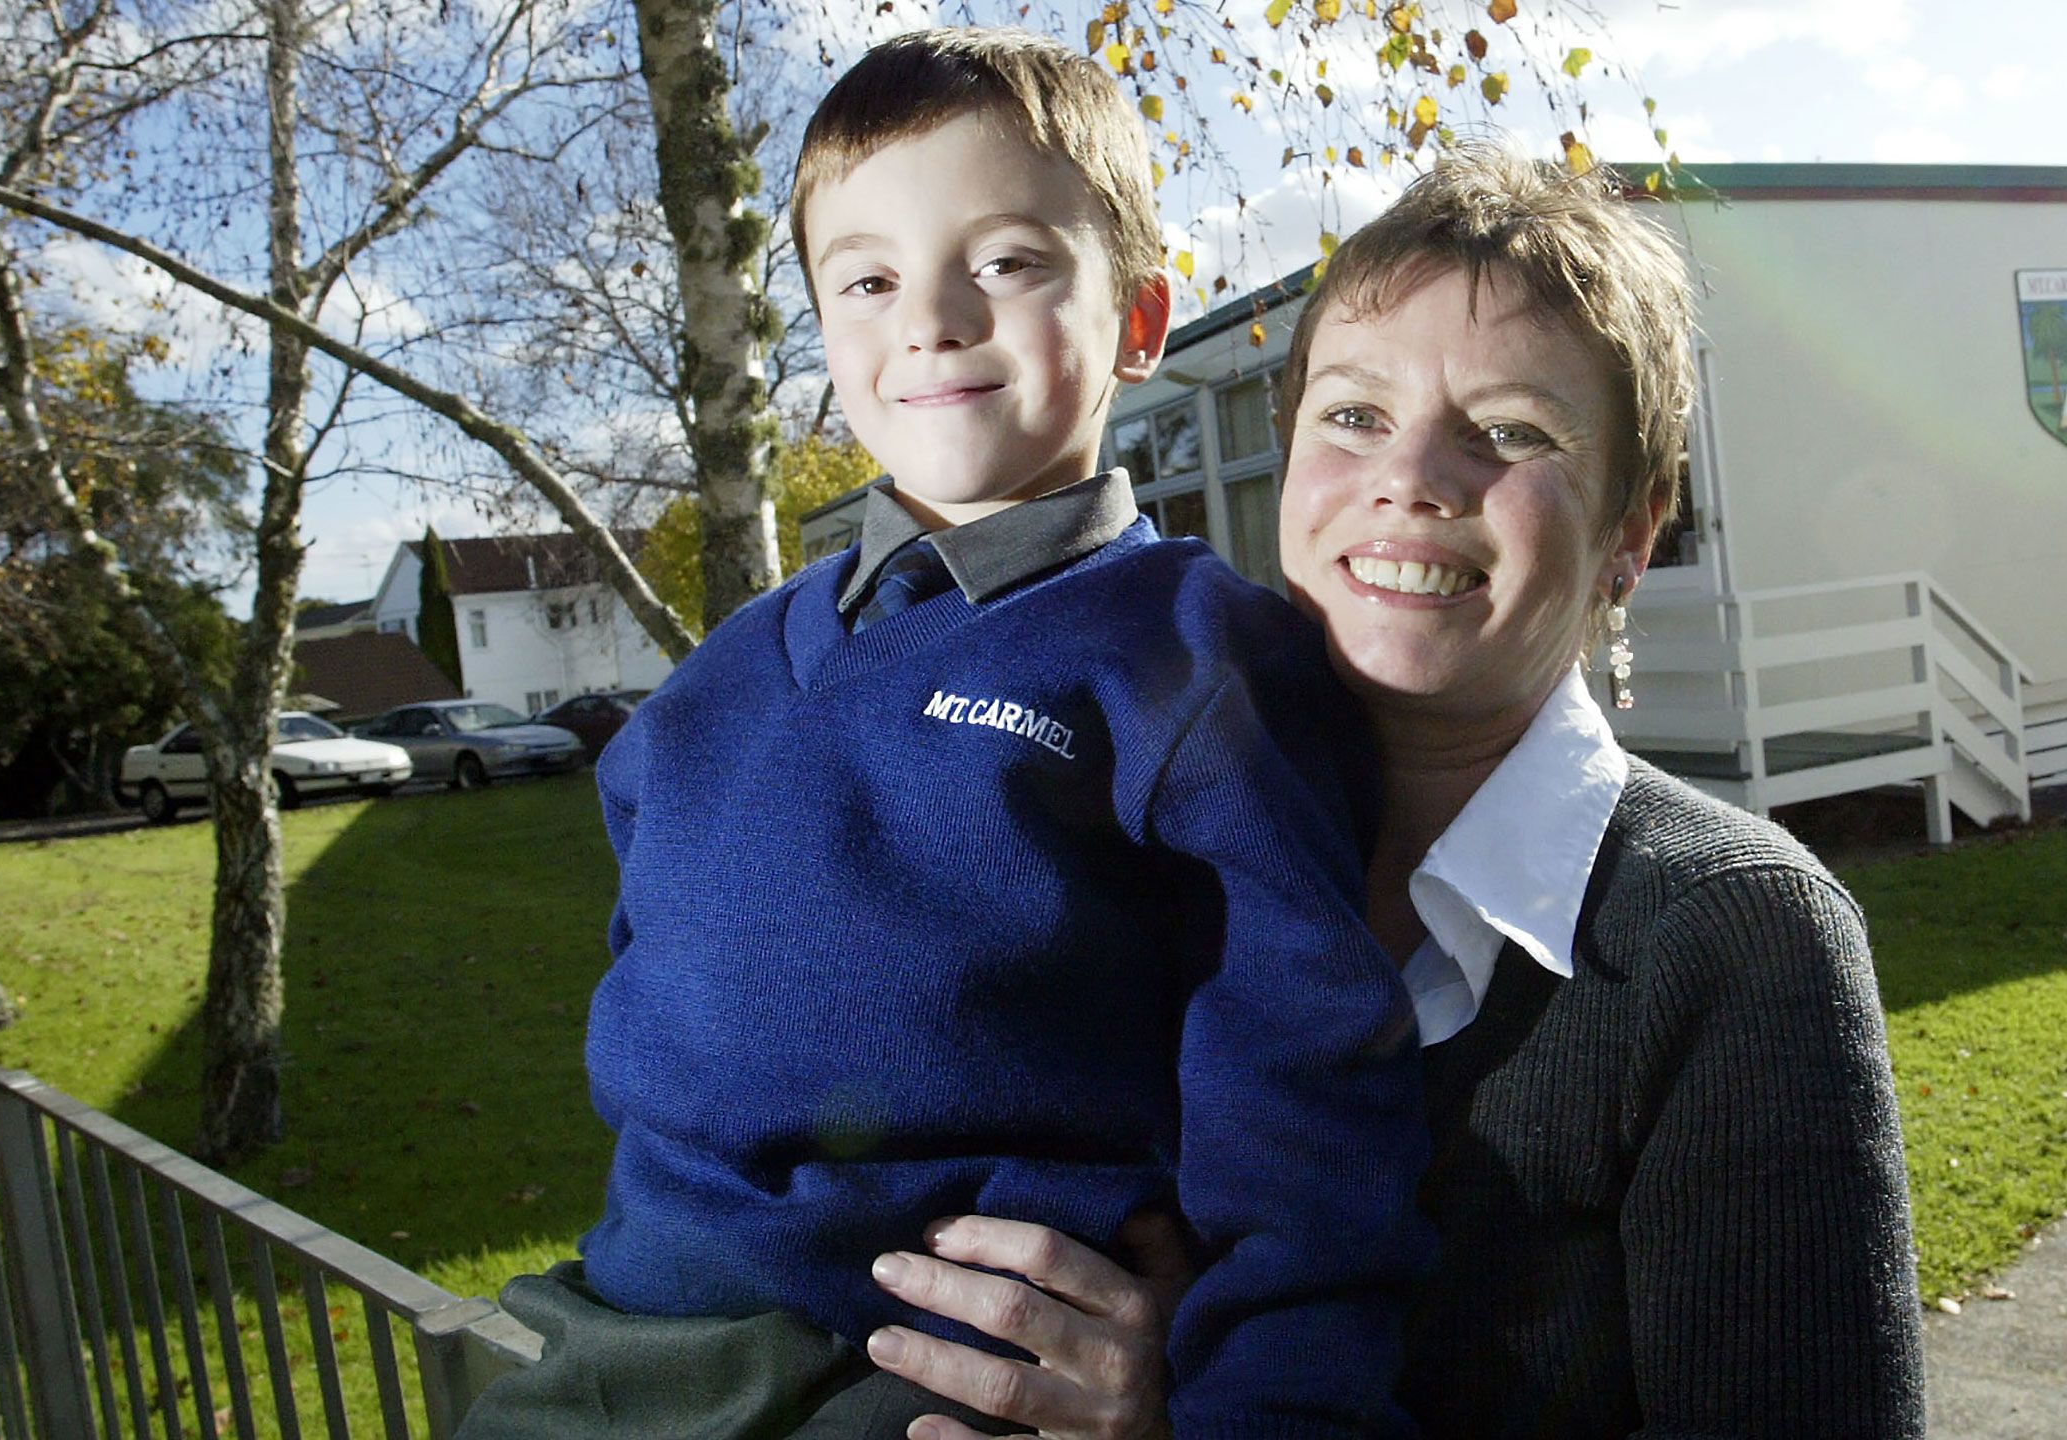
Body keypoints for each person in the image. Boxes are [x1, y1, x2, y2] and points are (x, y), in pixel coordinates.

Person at [860, 143, 1928, 1439]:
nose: (1414, 477)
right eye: (1355, 415)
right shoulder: (1123, 869)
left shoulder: (1730, 940)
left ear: (1630, 536)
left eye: (1511, 433)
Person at [454, 29, 1432, 1440]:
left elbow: (1310, 1098)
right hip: (613, 1345)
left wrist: (1263, 1405)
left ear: (1141, 323)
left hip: (924, 1372)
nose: (933, 318)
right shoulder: (709, 694)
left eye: (1010, 262)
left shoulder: (1189, 660)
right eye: (868, 279)